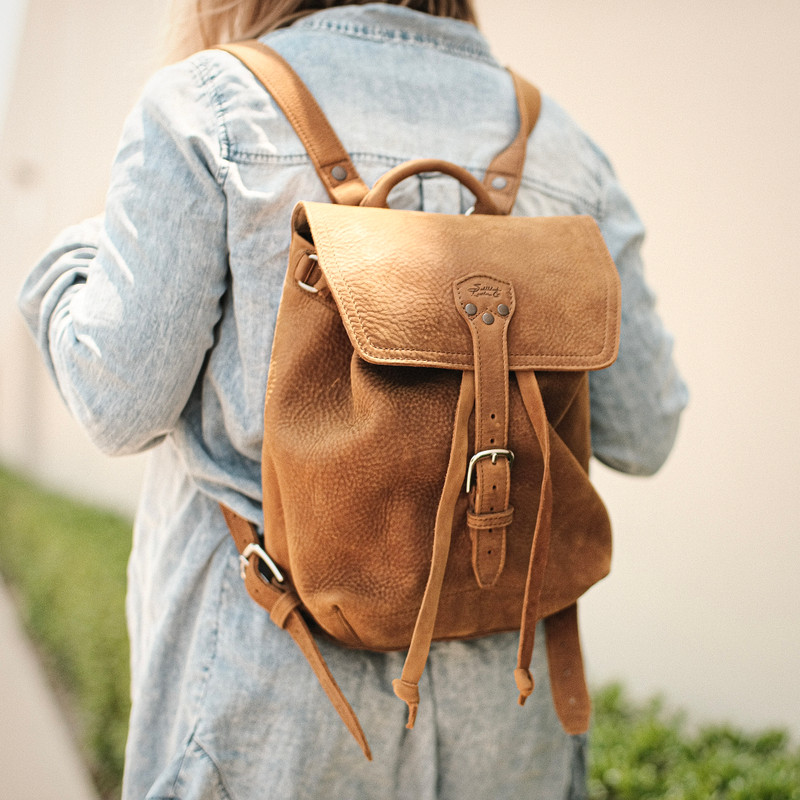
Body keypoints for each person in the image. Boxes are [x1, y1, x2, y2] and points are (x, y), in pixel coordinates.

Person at [18, 1, 688, 798]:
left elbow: (116, 402)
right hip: (509, 718)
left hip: (273, 710)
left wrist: (66, 263)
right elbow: (645, 432)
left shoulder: (211, 106)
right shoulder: (563, 146)